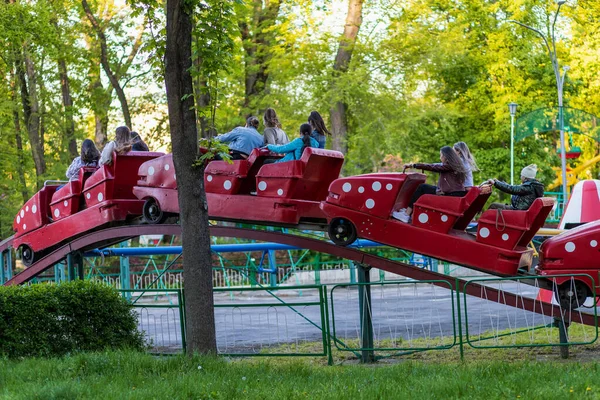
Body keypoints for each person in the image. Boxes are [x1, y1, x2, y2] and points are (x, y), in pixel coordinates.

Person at [393, 146, 467, 223]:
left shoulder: (449, 166)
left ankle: (406, 214)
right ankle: (409, 212)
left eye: (441, 155)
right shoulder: (454, 165)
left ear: (446, 156)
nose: (440, 157)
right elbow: (434, 165)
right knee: (424, 188)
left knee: (422, 187)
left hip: (451, 195)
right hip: (452, 194)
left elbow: (433, 167)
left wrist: (413, 165)